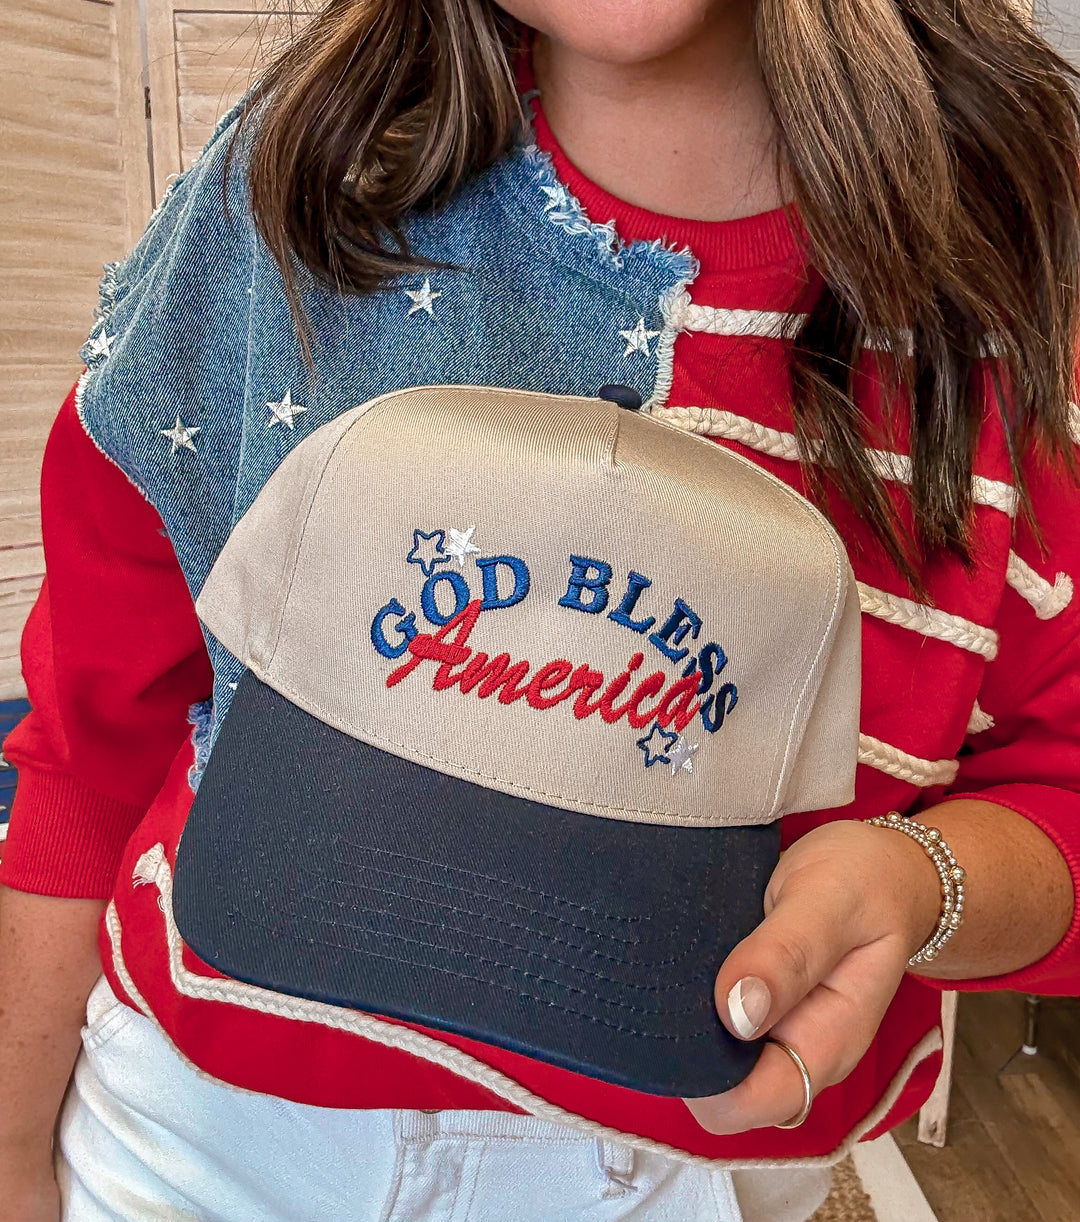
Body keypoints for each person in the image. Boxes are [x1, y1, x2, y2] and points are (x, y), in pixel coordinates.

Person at [2, 1, 1080, 1219]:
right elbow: (92, 736)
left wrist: (925, 879)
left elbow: (1061, 786)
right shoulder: (287, 183)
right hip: (197, 1137)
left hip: (671, 1166)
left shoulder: (993, 281)